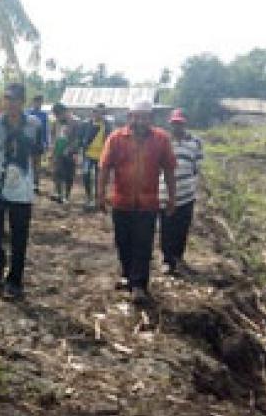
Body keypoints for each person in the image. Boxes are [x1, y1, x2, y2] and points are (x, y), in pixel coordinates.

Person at [98, 100, 177, 305]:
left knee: (143, 243)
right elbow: (105, 167)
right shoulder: (116, 138)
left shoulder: (161, 139)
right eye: (135, 116)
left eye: (143, 117)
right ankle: (128, 275)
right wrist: (100, 194)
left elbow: (169, 169)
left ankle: (139, 285)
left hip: (148, 203)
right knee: (123, 242)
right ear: (129, 117)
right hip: (121, 201)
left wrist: (171, 196)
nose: (139, 121)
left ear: (150, 119)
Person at [0, 83, 43, 299]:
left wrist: (34, 181)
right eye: (8, 99)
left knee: (19, 237)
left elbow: (37, 154)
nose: (12, 103)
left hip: (23, 189)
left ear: (23, 102)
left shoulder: (35, 124)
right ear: (3, 100)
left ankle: (14, 281)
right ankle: (0, 260)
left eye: (16, 99)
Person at [159, 108, 203, 275]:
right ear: (170, 124)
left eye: (180, 123)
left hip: (187, 194)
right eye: (174, 123)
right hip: (165, 193)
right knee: (167, 228)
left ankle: (178, 257)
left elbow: (197, 166)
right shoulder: (164, 142)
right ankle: (167, 260)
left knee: (182, 228)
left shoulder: (195, 142)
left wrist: (190, 183)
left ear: (185, 123)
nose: (177, 126)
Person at [79, 103, 113, 210]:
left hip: (101, 155)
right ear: (93, 113)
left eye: (102, 113)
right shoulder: (86, 124)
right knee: (86, 174)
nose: (99, 114)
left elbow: (110, 140)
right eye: (97, 112)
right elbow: (80, 138)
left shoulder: (108, 125)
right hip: (88, 154)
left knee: (100, 178)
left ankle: (98, 198)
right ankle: (89, 195)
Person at [49, 102, 81, 204]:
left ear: (64, 112)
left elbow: (78, 139)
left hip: (70, 153)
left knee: (69, 175)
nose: (57, 117)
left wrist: (71, 149)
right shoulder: (55, 122)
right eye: (55, 115)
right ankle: (59, 194)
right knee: (57, 173)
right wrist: (52, 150)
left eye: (58, 114)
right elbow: (53, 136)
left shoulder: (75, 122)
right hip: (58, 151)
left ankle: (66, 196)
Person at [25, 94, 49, 194]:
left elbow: (45, 129)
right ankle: (28, 183)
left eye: (40, 102)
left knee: (37, 164)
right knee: (28, 163)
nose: (38, 104)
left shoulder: (44, 115)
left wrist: (46, 142)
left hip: (39, 142)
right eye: (37, 102)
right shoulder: (27, 113)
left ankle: (35, 184)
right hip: (28, 142)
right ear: (33, 102)